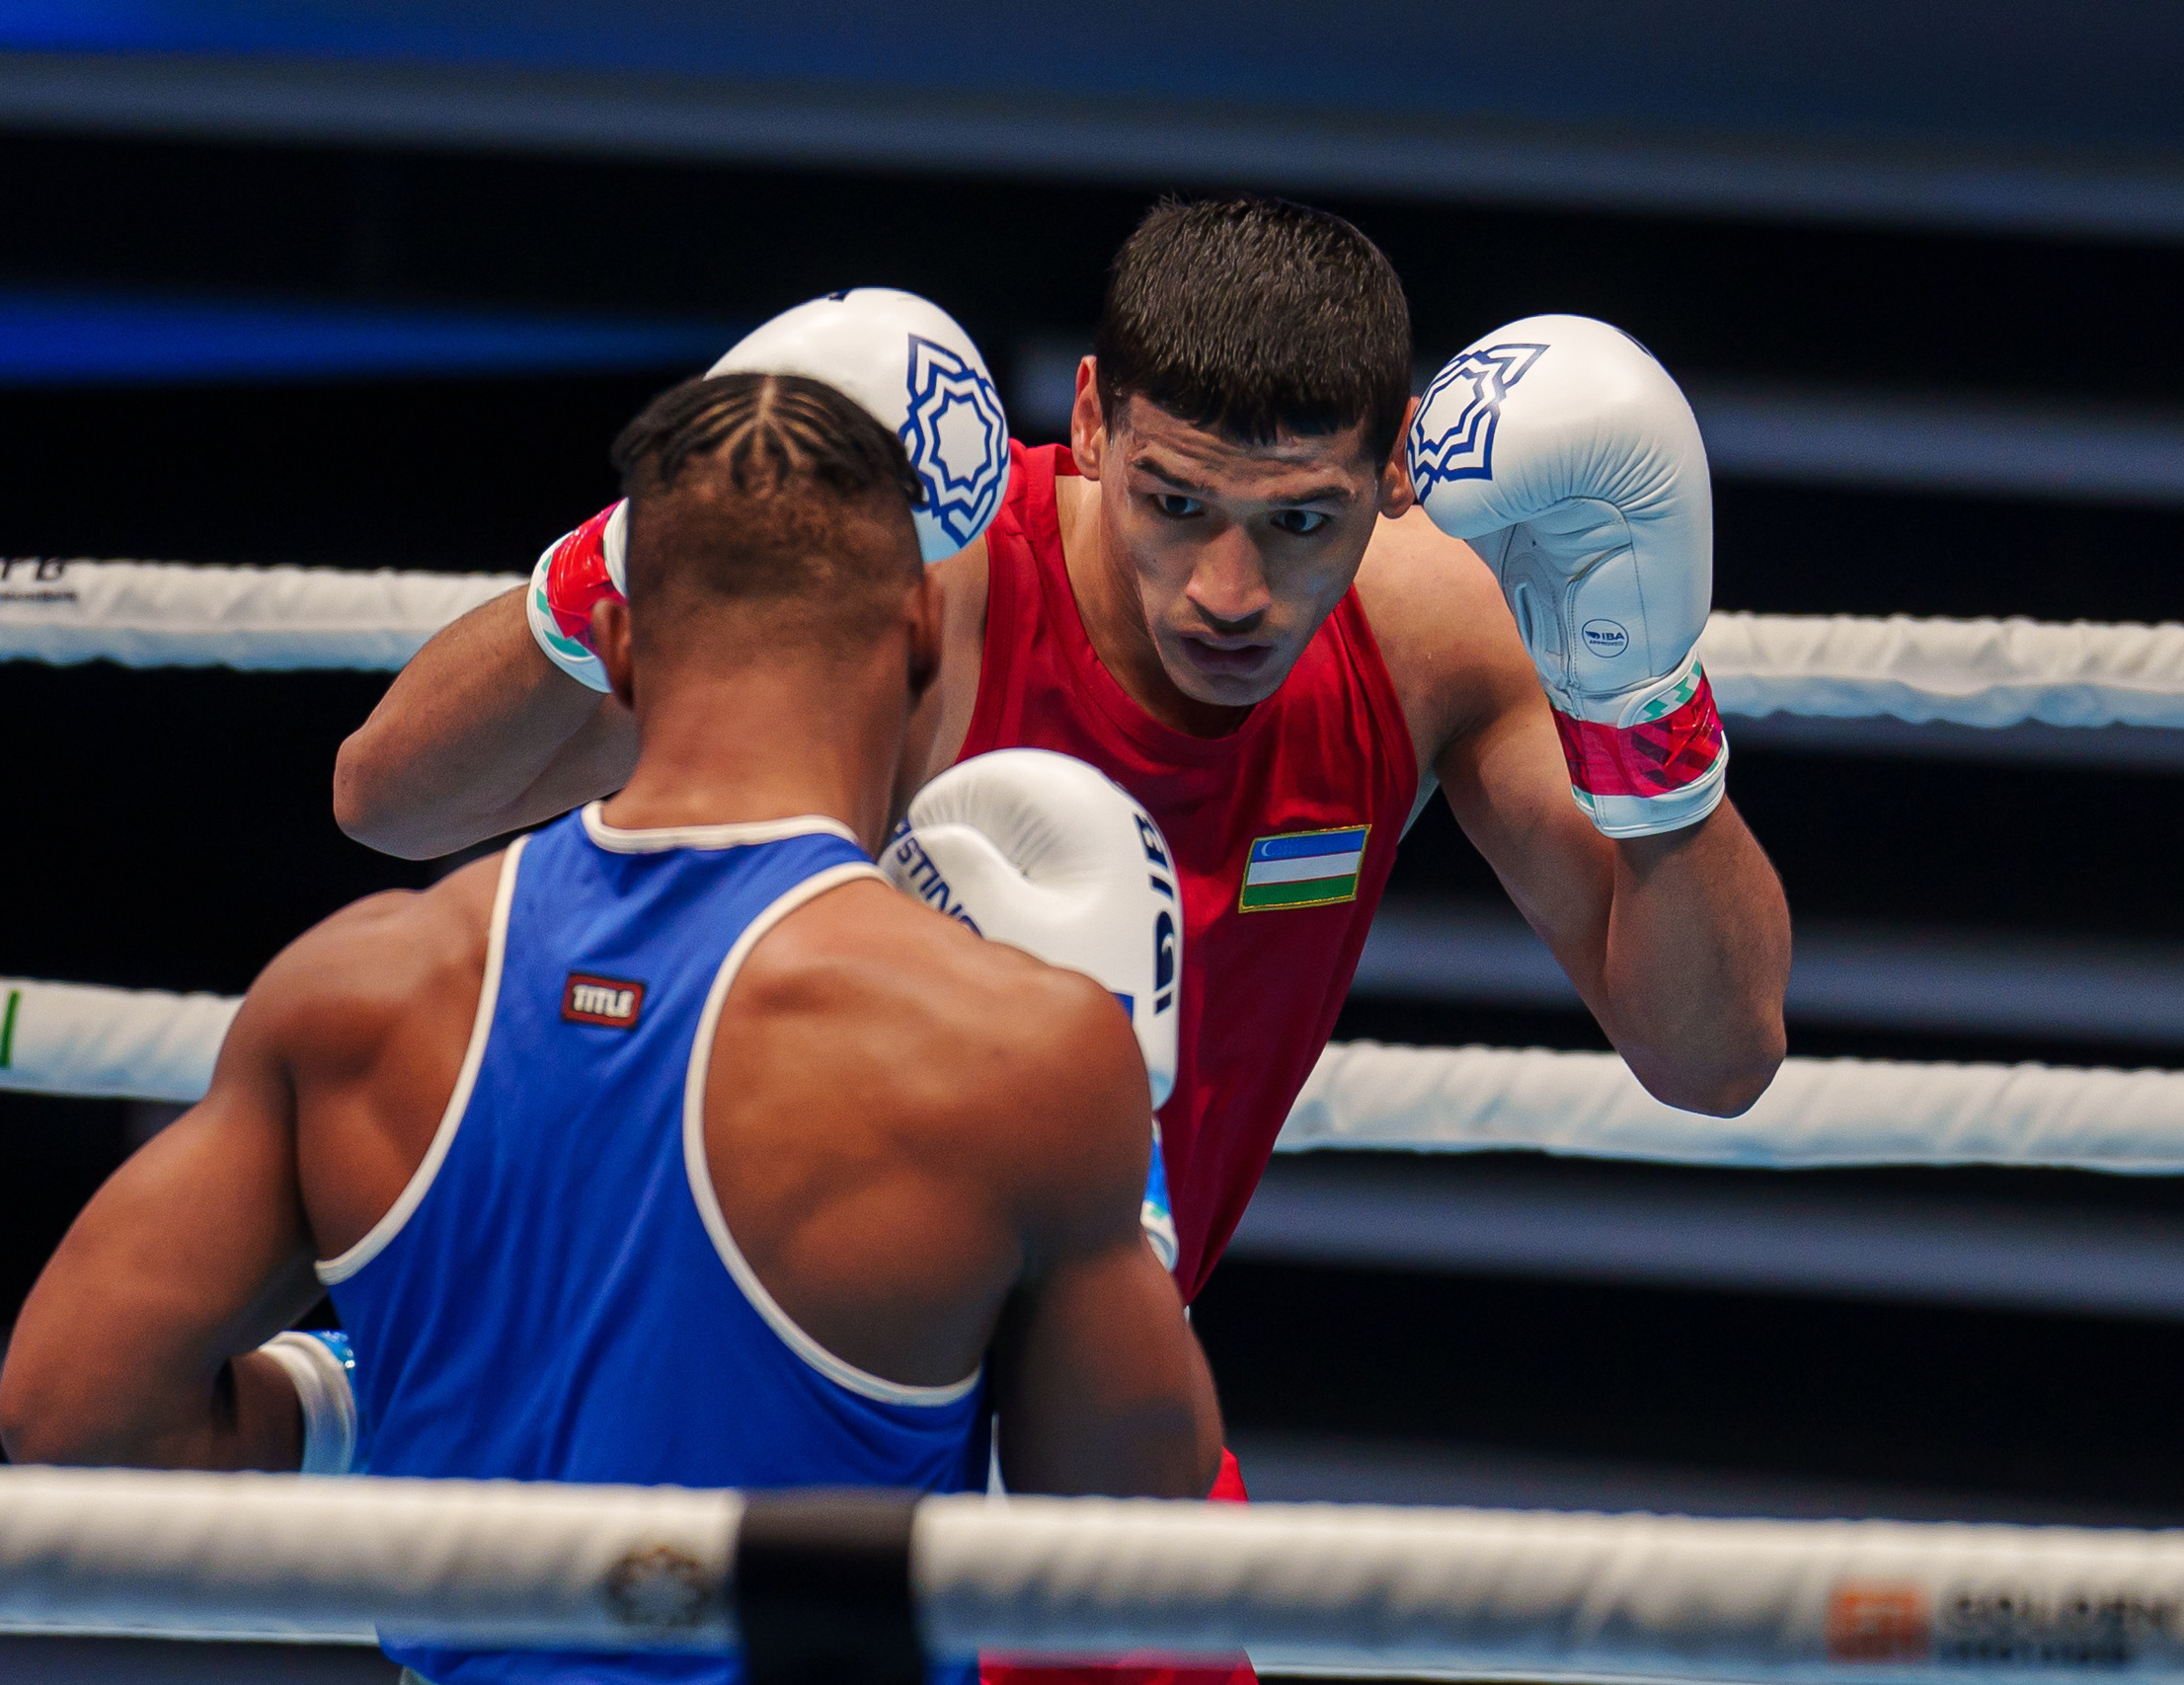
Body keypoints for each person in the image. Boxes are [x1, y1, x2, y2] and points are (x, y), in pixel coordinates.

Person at [333, 195, 1793, 1316]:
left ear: (1397, 466)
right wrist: (661, 538)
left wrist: (1640, 704)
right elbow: (391, 803)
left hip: (1093, 1396)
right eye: (1176, 503)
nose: (1230, 590)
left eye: (1299, 521)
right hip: (764, 1347)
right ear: (1090, 422)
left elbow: (1712, 1058)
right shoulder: (934, 596)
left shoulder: (1428, 641)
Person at [0, 370, 1224, 1685]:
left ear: (620, 644)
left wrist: (373, 1395)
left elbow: (72, 1412)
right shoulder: (1014, 1052)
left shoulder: (361, 993)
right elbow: (1126, 1544)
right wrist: (1132, 1181)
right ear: (922, 629)